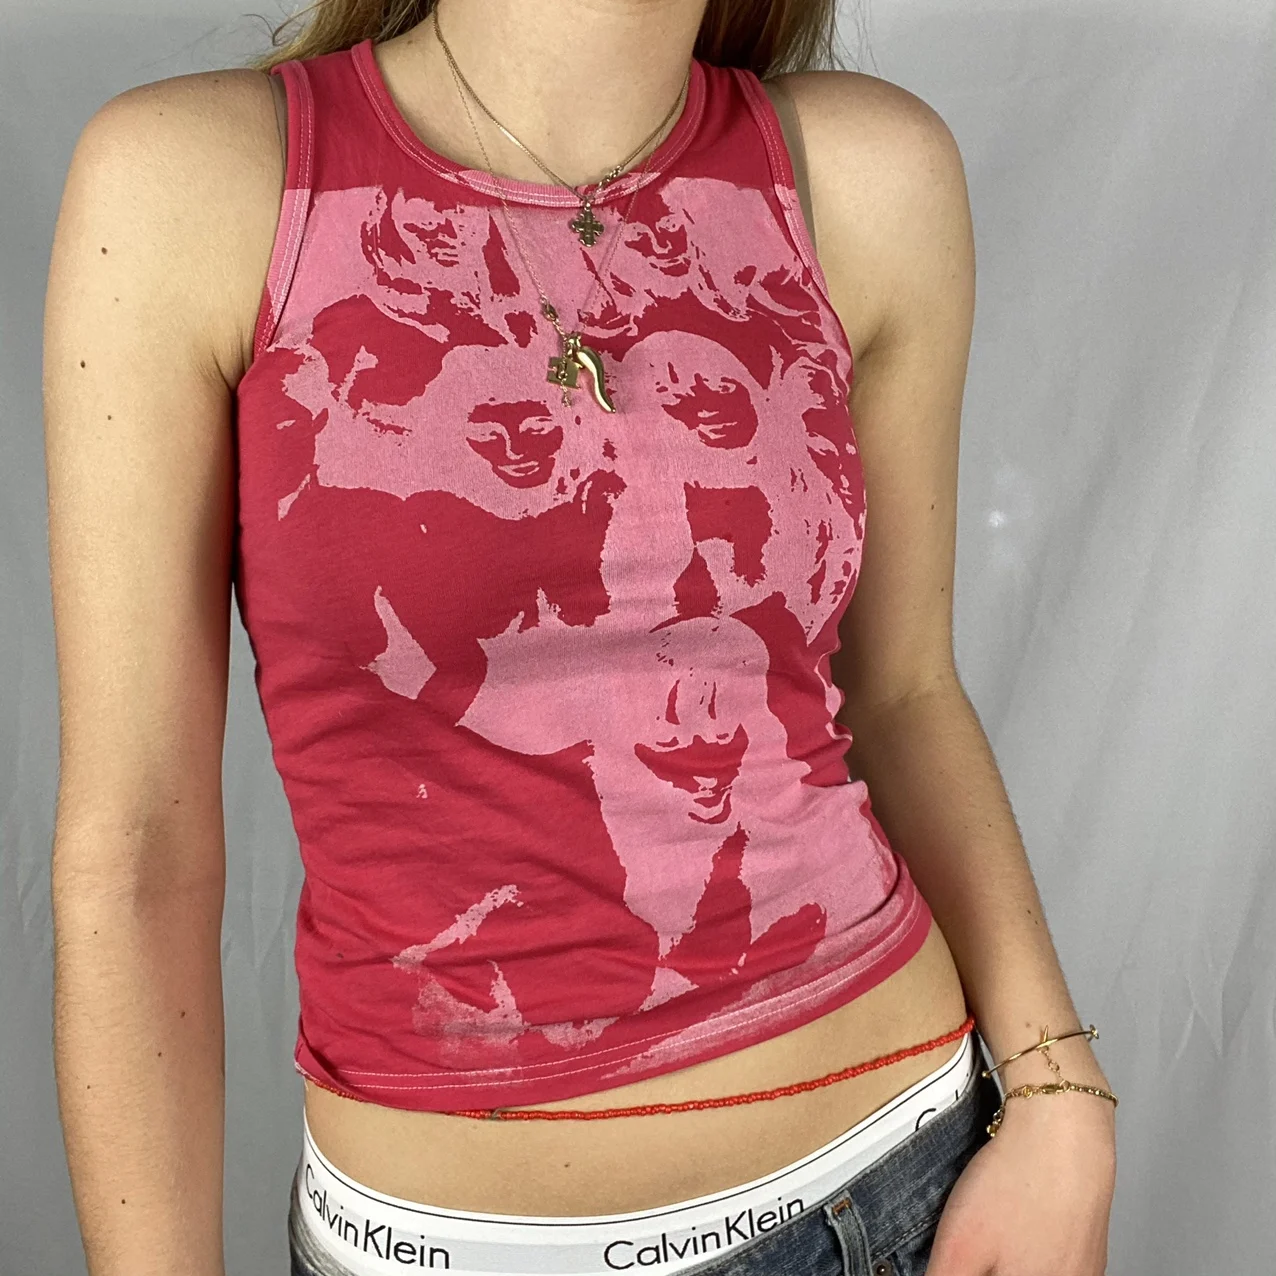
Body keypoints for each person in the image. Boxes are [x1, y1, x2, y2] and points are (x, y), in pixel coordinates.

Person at [42, 1, 1119, 1274]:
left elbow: (903, 693)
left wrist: (1059, 1096)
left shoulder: (868, 174)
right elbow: (138, 849)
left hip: (902, 1177)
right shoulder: (192, 182)